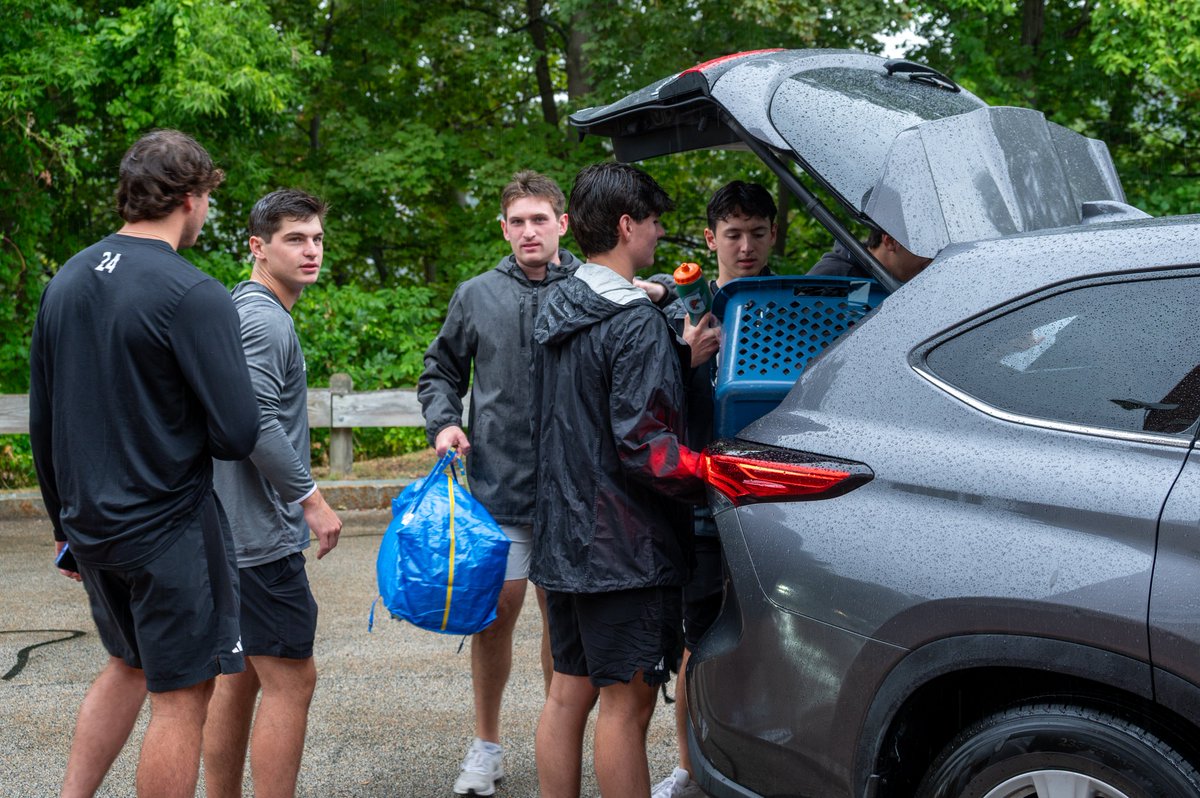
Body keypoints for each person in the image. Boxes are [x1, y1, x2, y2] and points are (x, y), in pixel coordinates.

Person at [29, 129, 259, 798]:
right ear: (191, 199)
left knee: (127, 664)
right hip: (168, 526)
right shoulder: (193, 293)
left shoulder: (67, 279)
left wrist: (63, 527)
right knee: (182, 698)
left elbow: (44, 417)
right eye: (208, 198)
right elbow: (237, 432)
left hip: (90, 526)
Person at [531, 161, 713, 798]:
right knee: (626, 708)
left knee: (566, 694)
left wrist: (677, 357)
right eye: (655, 221)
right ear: (627, 224)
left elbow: (589, 411)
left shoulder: (556, 304)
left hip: (563, 538)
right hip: (625, 550)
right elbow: (645, 446)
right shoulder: (634, 322)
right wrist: (717, 477)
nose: (660, 233)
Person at [417, 170, 581, 797]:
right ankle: (486, 745)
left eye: (540, 219)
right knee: (495, 617)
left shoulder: (592, 290)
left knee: (561, 622)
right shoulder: (476, 293)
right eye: (517, 221)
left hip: (573, 493)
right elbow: (440, 371)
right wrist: (444, 424)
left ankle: (557, 743)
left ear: (562, 223)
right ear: (503, 228)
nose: (528, 231)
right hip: (499, 486)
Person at [203, 189, 343, 798]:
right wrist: (311, 499)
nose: (311, 250)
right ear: (258, 247)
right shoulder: (262, 319)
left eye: (316, 238)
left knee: (238, 678)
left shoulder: (243, 308)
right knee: (292, 680)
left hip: (229, 530)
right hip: (257, 535)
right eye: (295, 239)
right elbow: (255, 420)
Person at [649, 180, 777, 798]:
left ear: (773, 236)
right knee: (698, 638)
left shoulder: (788, 302)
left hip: (772, 498)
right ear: (709, 239)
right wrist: (688, 354)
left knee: (773, 638)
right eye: (733, 234)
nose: (745, 246)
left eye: (756, 233)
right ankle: (688, 767)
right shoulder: (680, 307)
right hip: (700, 498)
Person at [808, 226, 932, 283]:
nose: (932, 261)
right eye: (924, 249)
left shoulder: (901, 285)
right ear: (890, 241)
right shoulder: (834, 275)